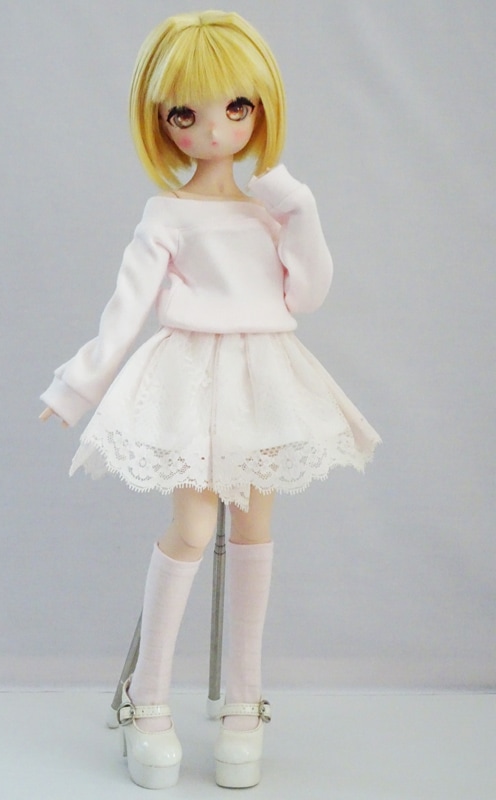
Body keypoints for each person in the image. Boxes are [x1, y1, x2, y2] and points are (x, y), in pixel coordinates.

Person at [40, 10, 380, 789]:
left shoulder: (269, 211)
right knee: (193, 528)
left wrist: (300, 207)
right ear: (161, 123)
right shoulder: (166, 214)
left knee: (255, 528)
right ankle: (149, 698)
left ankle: (243, 702)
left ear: (261, 109)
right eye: (185, 115)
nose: (214, 129)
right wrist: (76, 386)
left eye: (237, 107)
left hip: (263, 376)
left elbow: (307, 293)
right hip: (191, 378)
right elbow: (123, 313)